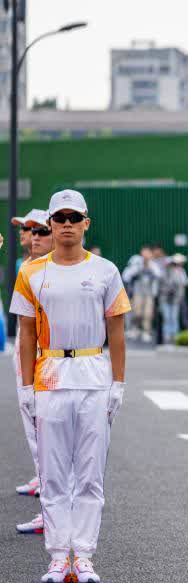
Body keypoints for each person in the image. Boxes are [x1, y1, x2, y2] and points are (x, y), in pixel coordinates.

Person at [11, 189, 130, 583]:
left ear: (85, 223)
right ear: (50, 223)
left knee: (90, 473)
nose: (65, 225)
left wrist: (118, 382)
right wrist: (26, 387)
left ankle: (85, 556)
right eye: (58, 218)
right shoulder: (31, 273)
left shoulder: (105, 271)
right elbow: (26, 333)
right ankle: (59, 556)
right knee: (54, 472)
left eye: (72, 218)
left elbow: (116, 328)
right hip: (50, 376)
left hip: (93, 374)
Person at [12, 214, 55, 537]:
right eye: (27, 230)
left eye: (38, 230)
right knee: (36, 431)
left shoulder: (55, 271)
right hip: (31, 357)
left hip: (50, 362)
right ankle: (51, 506)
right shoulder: (28, 268)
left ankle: (54, 513)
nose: (30, 235)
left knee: (50, 438)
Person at [122, 246, 161, 343]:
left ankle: (146, 331)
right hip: (137, 292)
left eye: (148, 253)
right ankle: (135, 328)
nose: (146, 255)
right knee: (137, 312)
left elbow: (159, 274)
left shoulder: (153, 264)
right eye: (144, 252)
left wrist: (149, 265)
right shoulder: (137, 262)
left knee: (148, 313)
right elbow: (126, 276)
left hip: (149, 293)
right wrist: (140, 266)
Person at [159, 254, 188, 343]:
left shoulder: (180, 272)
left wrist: (179, 298)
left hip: (175, 300)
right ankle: (167, 336)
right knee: (167, 318)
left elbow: (182, 285)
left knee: (174, 317)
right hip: (165, 299)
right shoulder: (162, 273)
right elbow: (160, 286)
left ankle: (175, 336)